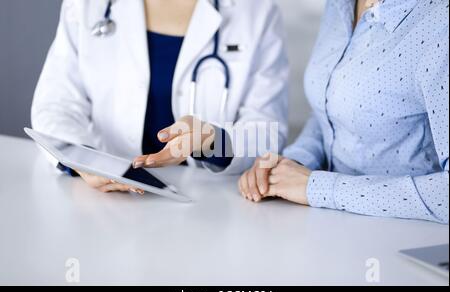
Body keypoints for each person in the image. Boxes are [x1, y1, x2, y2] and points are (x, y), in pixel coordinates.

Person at [32, 0, 289, 193]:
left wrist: (213, 142)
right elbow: (56, 105)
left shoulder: (256, 11)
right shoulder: (89, 5)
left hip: (208, 207)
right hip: (105, 200)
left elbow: (266, 132)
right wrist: (85, 161)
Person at [239, 0, 449, 224]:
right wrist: (292, 165)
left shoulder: (440, 23)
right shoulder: (339, 5)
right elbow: (329, 114)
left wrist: (317, 187)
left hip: (401, 238)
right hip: (329, 227)